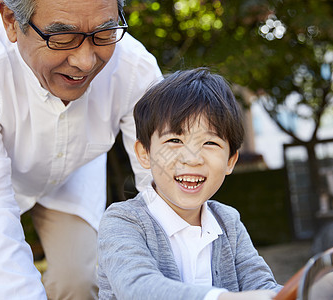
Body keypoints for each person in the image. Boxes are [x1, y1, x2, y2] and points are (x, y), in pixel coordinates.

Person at [0, 0, 161, 299]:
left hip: (74, 171)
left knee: (78, 279)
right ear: (12, 21)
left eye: (103, 33)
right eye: (62, 37)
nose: (85, 61)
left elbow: (162, 188)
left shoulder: (134, 69)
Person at [97, 68, 282, 300]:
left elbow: (264, 287)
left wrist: (314, 288)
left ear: (230, 160)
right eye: (175, 140)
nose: (192, 158)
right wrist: (221, 298)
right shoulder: (123, 221)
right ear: (144, 153)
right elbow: (138, 287)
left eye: (210, 143)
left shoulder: (228, 222)